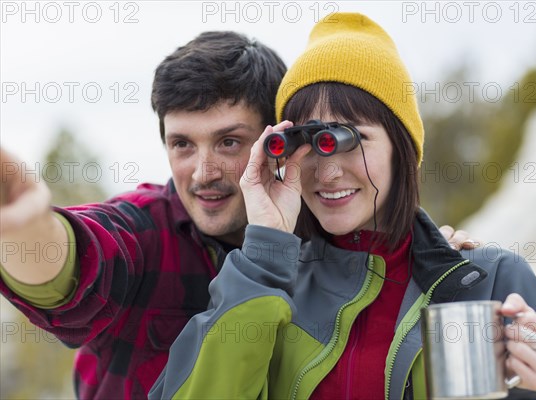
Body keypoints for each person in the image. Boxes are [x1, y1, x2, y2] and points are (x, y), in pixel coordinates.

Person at [0, 30, 473, 399]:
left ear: (278, 139)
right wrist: (26, 228)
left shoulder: (323, 232)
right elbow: (80, 263)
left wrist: (429, 261)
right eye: (182, 144)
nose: (203, 173)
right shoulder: (147, 231)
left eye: (229, 142)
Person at [150, 13, 536, 400]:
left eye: (350, 139)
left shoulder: (486, 281)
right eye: (309, 144)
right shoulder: (264, 285)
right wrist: (265, 252)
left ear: (402, 148)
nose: (328, 172)